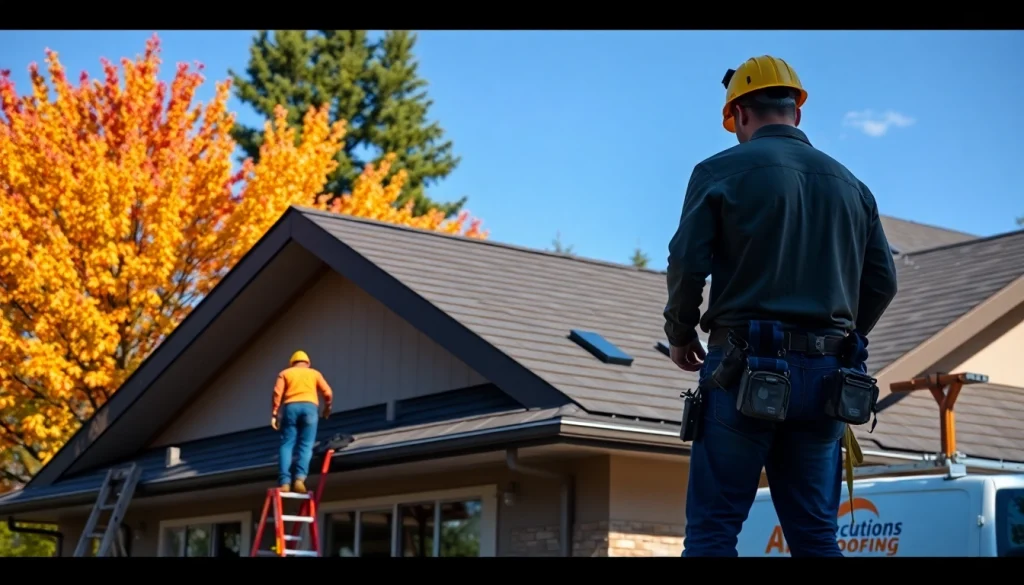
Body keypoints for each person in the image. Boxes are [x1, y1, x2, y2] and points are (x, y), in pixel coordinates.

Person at [663, 55, 899, 557]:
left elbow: (687, 261)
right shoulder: (852, 186)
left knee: (712, 534)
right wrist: (839, 338)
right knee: (815, 537)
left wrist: (682, 333)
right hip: (829, 381)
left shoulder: (718, 171)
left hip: (741, 367)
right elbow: (882, 281)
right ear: (797, 113)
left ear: (740, 114)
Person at [271, 350, 333, 493]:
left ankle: (285, 482)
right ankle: (300, 479)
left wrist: (274, 413)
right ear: (308, 363)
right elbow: (328, 393)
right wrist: (327, 408)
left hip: (291, 407)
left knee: (287, 444)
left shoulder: (285, 373)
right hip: (310, 408)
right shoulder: (315, 374)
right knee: (306, 445)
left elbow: (277, 393)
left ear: (292, 363)